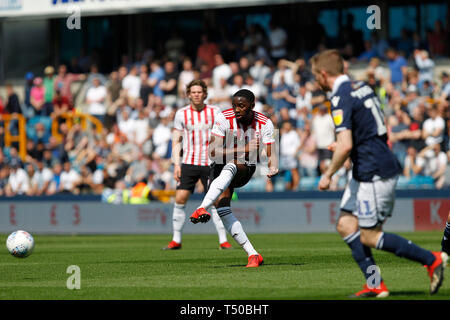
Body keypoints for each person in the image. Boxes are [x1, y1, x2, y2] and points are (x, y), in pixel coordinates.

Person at [311, 49, 447, 297]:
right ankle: (375, 284)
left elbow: (347, 144)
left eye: (315, 76)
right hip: (369, 163)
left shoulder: (340, 98)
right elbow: (370, 129)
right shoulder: (361, 86)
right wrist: (346, 146)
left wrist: (328, 174)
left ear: (323, 73)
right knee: (345, 224)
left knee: (370, 236)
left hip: (373, 170)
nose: (316, 82)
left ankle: (432, 259)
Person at [189, 89, 279, 267]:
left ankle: (201, 207)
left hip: (244, 167)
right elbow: (213, 152)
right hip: (219, 165)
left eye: (241, 106)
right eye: (234, 105)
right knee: (223, 210)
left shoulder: (265, 123)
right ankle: (253, 255)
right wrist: (243, 148)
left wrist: (273, 166)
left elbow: (271, 153)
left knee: (233, 163)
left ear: (252, 106)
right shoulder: (224, 117)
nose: (236, 109)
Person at [163, 79, 231, 251]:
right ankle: (176, 240)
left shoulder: (215, 111)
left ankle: (223, 241)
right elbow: (176, 140)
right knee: (180, 198)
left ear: (205, 94)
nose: (196, 95)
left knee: (216, 200)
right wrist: (176, 164)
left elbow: (225, 134)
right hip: (189, 162)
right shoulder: (181, 114)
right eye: (193, 92)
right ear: (188, 94)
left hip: (210, 162)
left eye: (199, 92)